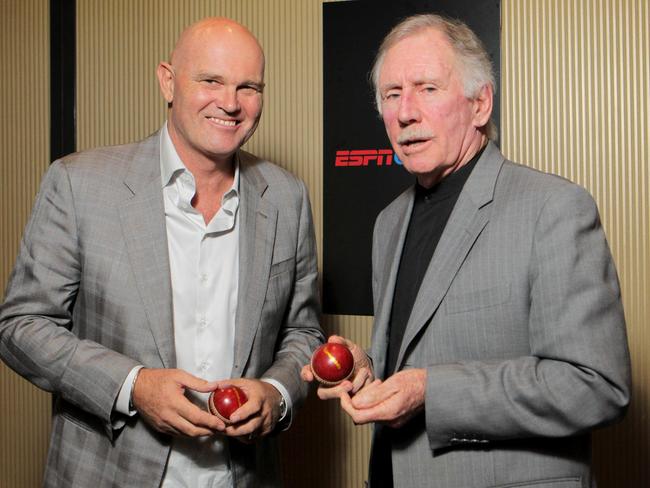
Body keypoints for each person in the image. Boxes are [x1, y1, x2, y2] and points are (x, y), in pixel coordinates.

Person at [302, 13, 631, 488]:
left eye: (427, 88)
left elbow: (597, 386)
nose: (406, 111)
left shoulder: (554, 208)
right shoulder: (388, 222)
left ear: (480, 104)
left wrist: (431, 392)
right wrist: (365, 370)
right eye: (392, 95)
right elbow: (415, 359)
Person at [0, 17, 323, 488]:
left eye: (248, 87)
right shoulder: (79, 184)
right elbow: (21, 327)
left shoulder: (287, 196)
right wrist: (134, 385)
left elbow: (303, 331)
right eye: (210, 80)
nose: (230, 104)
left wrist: (275, 393)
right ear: (168, 81)